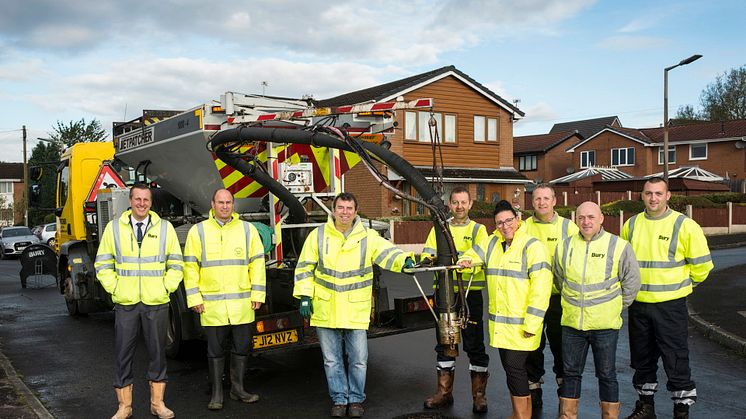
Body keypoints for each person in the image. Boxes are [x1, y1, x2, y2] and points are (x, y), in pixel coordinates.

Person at [293, 192, 415, 418]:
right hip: (326, 307)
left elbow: (388, 252)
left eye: (349, 208)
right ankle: (339, 399)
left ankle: (356, 400)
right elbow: (304, 267)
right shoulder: (317, 236)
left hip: (354, 309)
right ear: (333, 210)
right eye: (341, 207)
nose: (345, 212)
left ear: (356, 212)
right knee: (332, 360)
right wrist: (304, 295)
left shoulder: (367, 237)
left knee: (359, 359)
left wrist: (404, 260)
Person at [621, 177, 714, 419]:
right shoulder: (630, 225)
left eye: (658, 193)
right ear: (641, 195)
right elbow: (625, 266)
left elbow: (702, 267)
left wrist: (683, 286)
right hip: (639, 305)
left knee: (675, 358)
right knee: (642, 358)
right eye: (649, 193)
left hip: (670, 307)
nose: (653, 198)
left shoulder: (685, 225)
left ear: (668, 196)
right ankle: (645, 407)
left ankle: (681, 410)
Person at [94, 184, 184, 419]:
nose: (141, 203)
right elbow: (102, 264)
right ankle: (124, 407)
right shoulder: (114, 229)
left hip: (156, 301)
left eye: (146, 199)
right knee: (123, 354)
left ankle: (157, 403)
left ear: (151, 202)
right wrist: (116, 288)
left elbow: (176, 263)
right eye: (137, 199)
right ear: (130, 201)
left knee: (157, 354)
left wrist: (167, 286)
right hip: (126, 302)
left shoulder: (166, 229)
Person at [460, 200, 552, 419]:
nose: (505, 226)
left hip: (523, 326)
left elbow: (541, 289)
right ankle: (519, 414)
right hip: (502, 327)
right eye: (499, 223)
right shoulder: (492, 243)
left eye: (508, 220)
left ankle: (521, 416)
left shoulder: (533, 246)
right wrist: (466, 260)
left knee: (515, 369)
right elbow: (473, 254)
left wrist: (532, 323)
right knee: (513, 372)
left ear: (518, 220)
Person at [553, 202, 641, 419]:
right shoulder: (565, 246)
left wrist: (615, 307)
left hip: (605, 326)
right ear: (576, 220)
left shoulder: (618, 245)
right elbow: (559, 278)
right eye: (581, 217)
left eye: (591, 217)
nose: (586, 222)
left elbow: (632, 281)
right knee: (571, 374)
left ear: (601, 218)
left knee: (607, 375)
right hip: (573, 324)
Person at [183, 188, 266, 410]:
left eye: (228, 202)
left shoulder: (247, 230)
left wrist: (258, 294)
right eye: (220, 202)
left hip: (242, 304)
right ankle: (217, 394)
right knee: (215, 351)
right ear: (212, 204)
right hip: (213, 306)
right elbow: (190, 267)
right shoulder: (198, 232)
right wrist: (194, 298)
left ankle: (238, 389)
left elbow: (257, 264)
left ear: (233, 205)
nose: (225, 206)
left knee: (241, 347)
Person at [421, 186, 491, 413]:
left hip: (470, 293)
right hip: (444, 292)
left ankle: (479, 396)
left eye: (464, 202)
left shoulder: (479, 229)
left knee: (475, 344)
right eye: (455, 202)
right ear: (449, 205)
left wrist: (464, 260)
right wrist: (427, 260)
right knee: (445, 343)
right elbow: (428, 253)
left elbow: (481, 253)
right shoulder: (439, 228)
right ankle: (444, 393)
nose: (459, 206)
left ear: (471, 204)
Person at [522, 184, 579, 409]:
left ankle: (564, 391)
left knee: (561, 345)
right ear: (532, 202)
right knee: (532, 344)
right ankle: (533, 388)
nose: (542, 203)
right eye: (538, 199)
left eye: (546, 198)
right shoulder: (523, 227)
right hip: (532, 297)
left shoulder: (569, 227)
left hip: (559, 298)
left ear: (555, 201)